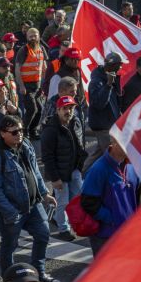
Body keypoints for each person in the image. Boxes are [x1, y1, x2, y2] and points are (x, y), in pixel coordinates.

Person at [0, 115, 59, 282]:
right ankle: (9, 281)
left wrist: (45, 193)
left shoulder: (26, 145)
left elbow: (35, 172)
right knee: (10, 245)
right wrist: (10, 212)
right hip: (13, 210)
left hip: (33, 204)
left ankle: (39, 274)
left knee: (43, 234)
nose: (20, 134)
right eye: (15, 131)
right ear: (3, 133)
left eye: (22, 130)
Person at [79, 138, 139, 255]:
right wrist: (112, 219)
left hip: (127, 234)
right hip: (105, 237)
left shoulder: (131, 167)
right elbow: (88, 202)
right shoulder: (98, 169)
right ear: (114, 143)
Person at [41, 96, 86, 241]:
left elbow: (81, 145)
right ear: (58, 110)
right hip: (60, 173)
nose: (69, 111)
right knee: (63, 202)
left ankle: (58, 217)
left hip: (74, 169)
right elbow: (47, 156)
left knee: (78, 197)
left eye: (71, 108)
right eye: (65, 108)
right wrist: (55, 178)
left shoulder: (76, 122)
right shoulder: (51, 129)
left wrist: (79, 167)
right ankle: (63, 229)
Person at [87, 53, 123, 165]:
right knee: (113, 158)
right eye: (119, 65)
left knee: (97, 156)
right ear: (112, 66)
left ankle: (82, 175)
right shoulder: (96, 82)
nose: (120, 68)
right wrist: (108, 85)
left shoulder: (112, 77)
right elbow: (99, 104)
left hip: (110, 125)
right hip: (103, 127)